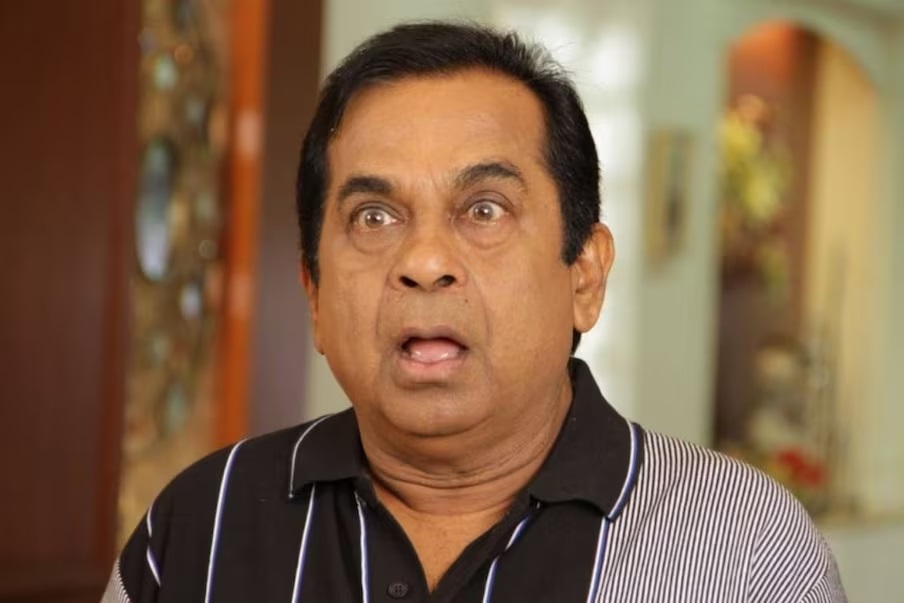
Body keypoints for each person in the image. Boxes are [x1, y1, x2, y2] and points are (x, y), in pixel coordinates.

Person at [105, 21, 846, 602]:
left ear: (585, 275)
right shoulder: (201, 524)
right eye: (373, 216)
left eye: (484, 208)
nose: (425, 261)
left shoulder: (741, 550)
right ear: (315, 295)